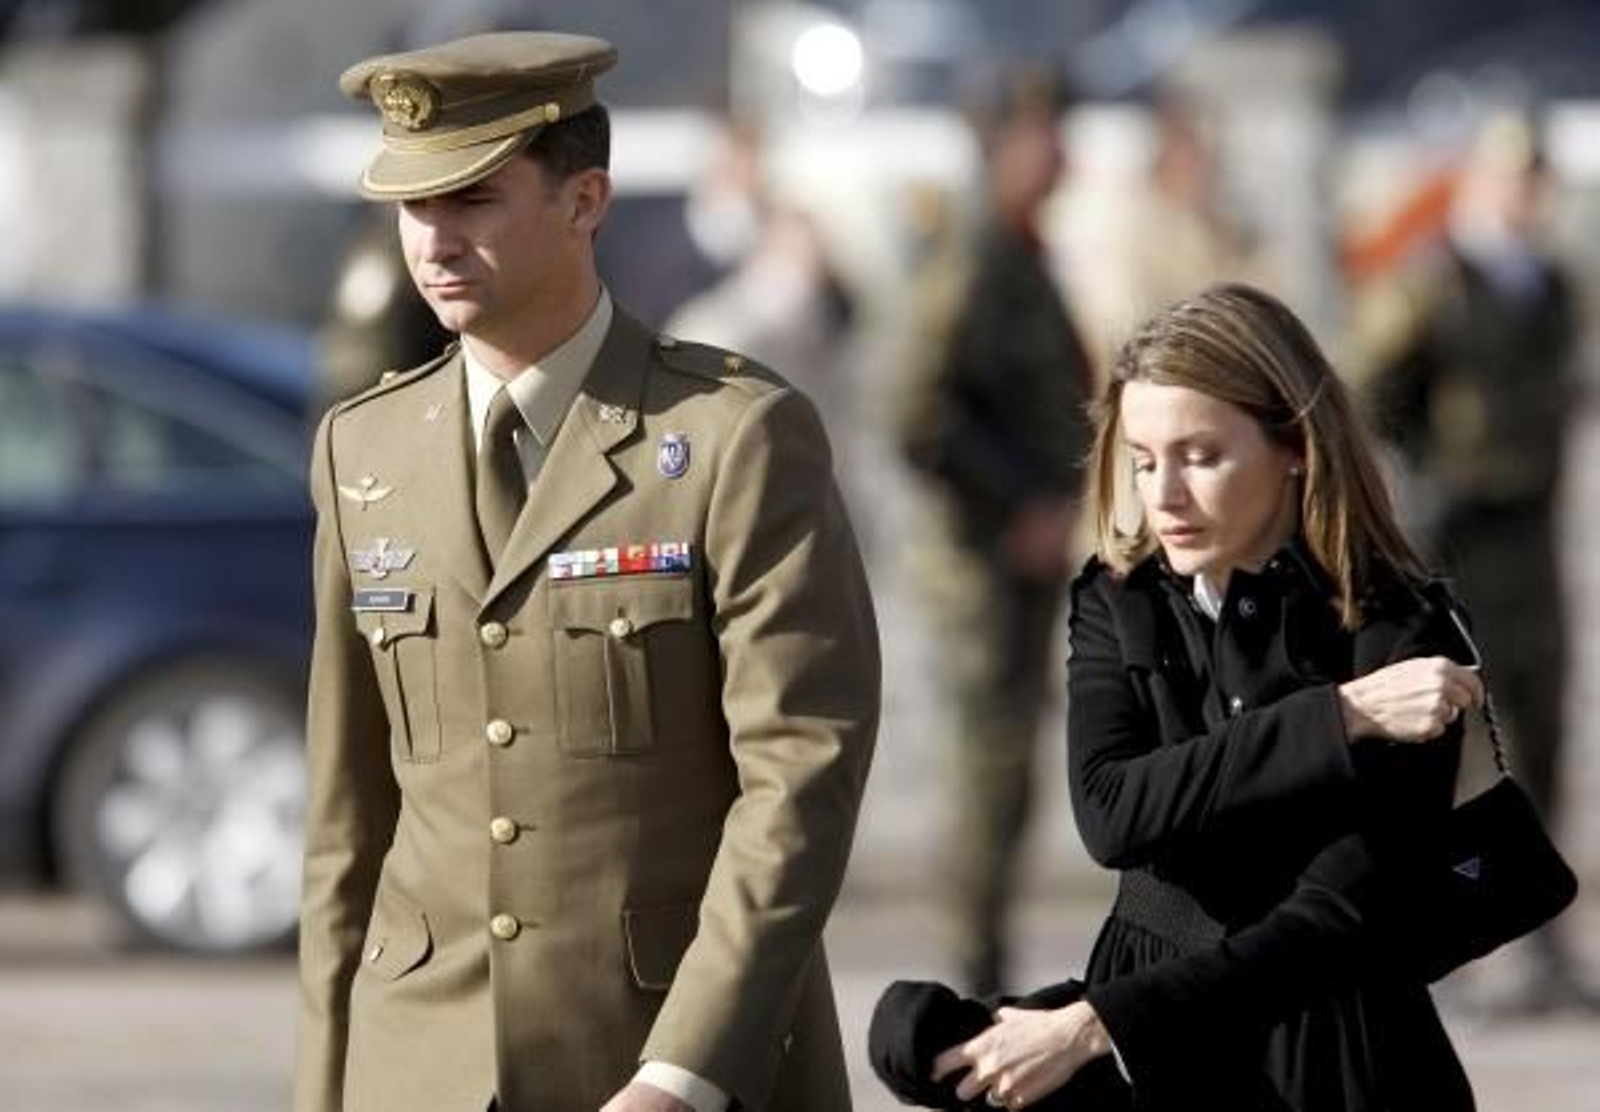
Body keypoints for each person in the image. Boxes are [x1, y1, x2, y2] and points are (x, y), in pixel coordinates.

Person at [294, 31, 879, 1112]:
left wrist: (682, 1072)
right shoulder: (361, 449)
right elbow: (346, 824)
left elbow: (799, 779)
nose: (434, 238)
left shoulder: (731, 435)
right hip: (418, 1067)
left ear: (585, 200)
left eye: (472, 198)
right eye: (413, 205)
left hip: (664, 1057)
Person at [915, 284, 1488, 1110]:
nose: (1165, 496)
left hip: (1339, 1059)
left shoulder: (1402, 624)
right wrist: (1339, 717)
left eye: (1201, 456)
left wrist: (1095, 1026)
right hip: (1153, 1057)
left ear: (1294, 446)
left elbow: (1336, 914)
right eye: (1144, 460)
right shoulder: (1119, 598)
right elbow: (1111, 814)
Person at [1354, 113, 1593, 1012]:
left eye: (1533, 180)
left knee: (1541, 733)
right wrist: (1423, 478)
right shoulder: (1437, 280)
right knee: (1450, 747)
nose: (1521, 196)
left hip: (1529, 538)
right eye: (1507, 179)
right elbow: (1374, 385)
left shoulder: (1550, 284)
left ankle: (1540, 941)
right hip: (1462, 542)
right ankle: (1440, 949)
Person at [895, 69, 1096, 995]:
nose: (1064, 156)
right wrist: (1018, 505)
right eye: (1049, 135)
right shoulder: (975, 255)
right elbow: (918, 413)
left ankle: (988, 964)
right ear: (1005, 143)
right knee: (989, 769)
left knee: (1007, 773)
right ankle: (975, 975)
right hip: (982, 565)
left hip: (1019, 561)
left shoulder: (1019, 253)